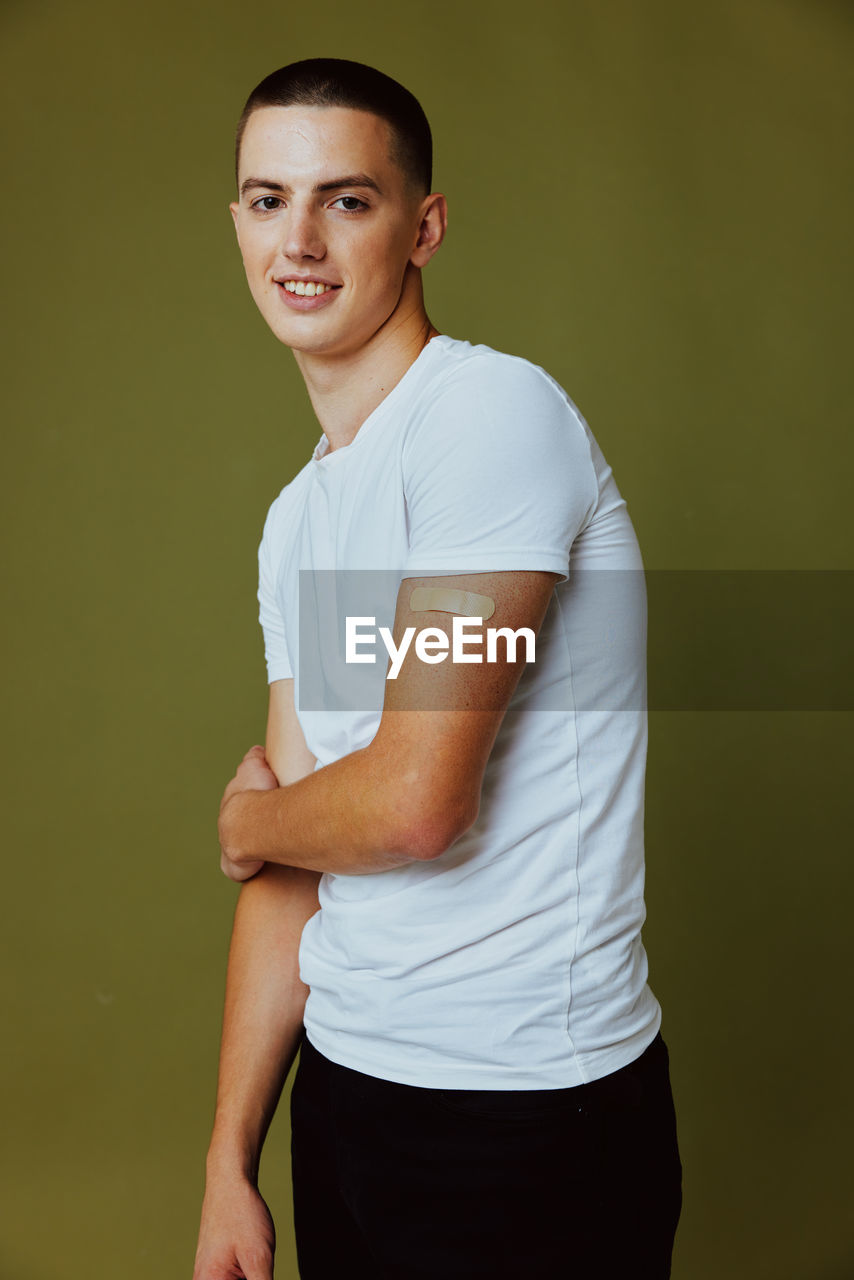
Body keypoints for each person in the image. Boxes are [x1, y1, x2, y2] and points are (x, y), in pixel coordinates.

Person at [192, 57, 682, 1280]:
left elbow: (412, 801)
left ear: (426, 225)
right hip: (352, 1092)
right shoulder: (297, 518)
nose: (297, 239)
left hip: (524, 1115)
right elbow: (290, 873)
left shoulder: (486, 417)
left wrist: (258, 813)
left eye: (345, 200)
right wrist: (225, 1159)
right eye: (266, 200)